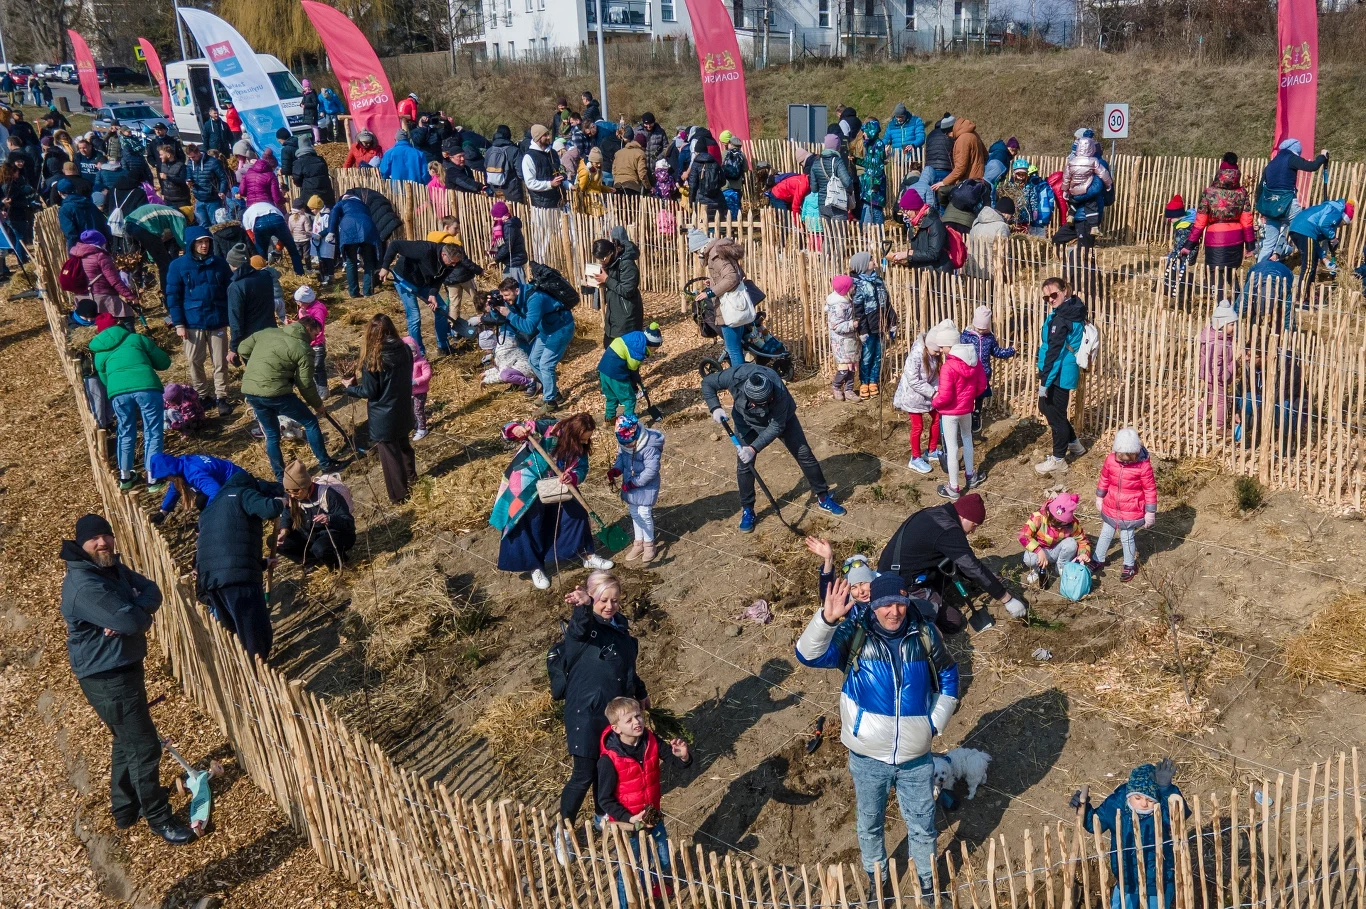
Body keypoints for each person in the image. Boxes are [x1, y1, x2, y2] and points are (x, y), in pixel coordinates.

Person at [794, 573, 958, 900]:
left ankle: (927, 884)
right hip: (868, 759)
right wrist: (826, 620)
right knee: (869, 825)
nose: (894, 612)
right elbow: (807, 655)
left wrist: (933, 724)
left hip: (915, 759)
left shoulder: (924, 634)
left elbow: (948, 674)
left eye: (900, 603)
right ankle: (877, 879)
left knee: (923, 825)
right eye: (886, 605)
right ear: (874, 605)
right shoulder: (855, 634)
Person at [60, 513, 195, 844]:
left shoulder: (109, 567)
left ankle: (125, 808)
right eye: (94, 539)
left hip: (120, 665)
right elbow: (133, 622)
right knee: (144, 746)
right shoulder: (85, 585)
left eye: (106, 535)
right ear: (81, 544)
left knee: (126, 738)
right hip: (107, 676)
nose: (102, 542)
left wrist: (129, 608)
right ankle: (159, 818)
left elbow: (152, 591)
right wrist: (130, 615)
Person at [702, 364, 846, 531]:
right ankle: (748, 509)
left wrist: (753, 449)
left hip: (781, 420)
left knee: (804, 454)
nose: (761, 407)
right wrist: (715, 407)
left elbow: (776, 427)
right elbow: (708, 382)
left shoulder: (778, 390)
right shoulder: (735, 376)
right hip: (745, 423)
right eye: (757, 404)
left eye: (766, 402)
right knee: (745, 465)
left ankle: (823, 497)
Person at [494, 415, 614, 589]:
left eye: (586, 438)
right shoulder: (545, 428)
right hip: (527, 483)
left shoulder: (580, 446)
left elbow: (582, 468)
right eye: (582, 438)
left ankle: (586, 555)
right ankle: (535, 567)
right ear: (572, 433)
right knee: (531, 523)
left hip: (557, 484)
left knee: (577, 513)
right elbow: (509, 429)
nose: (585, 442)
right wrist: (516, 429)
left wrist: (572, 476)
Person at [597, 696, 691, 904]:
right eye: (629, 720)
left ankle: (653, 886)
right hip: (627, 821)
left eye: (638, 716)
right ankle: (625, 904)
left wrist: (683, 756)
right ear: (616, 728)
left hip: (651, 813)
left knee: (663, 857)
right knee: (630, 867)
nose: (637, 722)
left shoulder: (651, 740)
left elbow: (676, 762)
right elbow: (604, 799)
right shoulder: (609, 759)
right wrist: (630, 819)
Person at [877, 495, 1028, 619]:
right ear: (964, 516)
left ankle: (933, 593)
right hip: (899, 582)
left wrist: (988, 580)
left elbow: (961, 560)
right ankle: (915, 610)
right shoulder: (948, 530)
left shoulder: (937, 513)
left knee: (951, 566)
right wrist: (1006, 598)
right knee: (953, 621)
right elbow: (971, 566)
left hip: (894, 569)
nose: (973, 531)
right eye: (974, 525)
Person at [196, 468, 285, 661]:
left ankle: (245, 666)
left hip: (212, 581)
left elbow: (226, 546)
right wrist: (281, 502)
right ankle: (257, 671)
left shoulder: (211, 508)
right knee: (255, 631)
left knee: (236, 631)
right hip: (239, 581)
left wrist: (262, 564)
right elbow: (269, 509)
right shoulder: (243, 493)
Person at [1073, 760, 1186, 909]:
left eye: (1149, 800)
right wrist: (1083, 808)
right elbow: (1094, 824)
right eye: (1138, 798)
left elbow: (1178, 816)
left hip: (1157, 880)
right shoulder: (1115, 805)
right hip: (1126, 877)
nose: (1144, 804)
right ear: (1129, 794)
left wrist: (1167, 790)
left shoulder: (1161, 809)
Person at [239, 317, 338, 480]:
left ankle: (281, 478)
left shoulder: (268, 333)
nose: (315, 339)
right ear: (308, 329)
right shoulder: (304, 349)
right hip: (276, 393)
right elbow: (305, 384)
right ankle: (326, 464)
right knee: (310, 422)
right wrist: (317, 404)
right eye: (315, 334)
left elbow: (243, 348)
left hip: (251, 391)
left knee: (272, 435)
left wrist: (258, 363)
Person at [90, 315, 170, 491]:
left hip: (119, 394)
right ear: (118, 324)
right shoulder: (136, 339)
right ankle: (153, 478)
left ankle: (125, 476)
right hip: (147, 387)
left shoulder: (99, 352)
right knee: (153, 431)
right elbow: (164, 362)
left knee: (125, 431)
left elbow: (105, 380)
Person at [342, 314, 417, 503]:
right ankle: (412, 478)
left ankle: (399, 495)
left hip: (384, 416)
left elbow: (370, 391)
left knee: (390, 457)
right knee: (404, 446)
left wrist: (350, 388)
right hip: (403, 408)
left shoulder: (373, 359)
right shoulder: (405, 349)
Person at [166, 226, 234, 417]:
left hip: (217, 318)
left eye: (207, 242)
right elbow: (173, 296)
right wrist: (179, 324)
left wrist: (232, 316)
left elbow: (230, 290)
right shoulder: (178, 266)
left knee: (220, 361)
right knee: (195, 361)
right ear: (191, 244)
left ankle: (222, 397)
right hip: (191, 321)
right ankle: (202, 396)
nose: (204, 245)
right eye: (200, 242)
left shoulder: (219, 263)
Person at [497, 276, 575, 417]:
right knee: (533, 361)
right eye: (502, 296)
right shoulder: (517, 298)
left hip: (561, 328)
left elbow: (528, 327)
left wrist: (509, 315)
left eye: (506, 295)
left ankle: (550, 402)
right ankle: (555, 393)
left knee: (546, 364)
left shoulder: (535, 299)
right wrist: (495, 307)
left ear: (517, 290)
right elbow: (512, 313)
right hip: (547, 328)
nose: (505, 299)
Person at [377, 237, 467, 357]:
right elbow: (395, 245)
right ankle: (418, 353)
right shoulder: (425, 249)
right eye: (452, 262)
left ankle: (443, 347)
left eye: (455, 263)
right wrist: (385, 267)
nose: (454, 265)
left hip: (424, 282)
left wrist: (432, 294)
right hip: (405, 279)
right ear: (444, 254)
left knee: (442, 309)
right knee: (414, 317)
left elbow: (439, 278)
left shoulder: (452, 263)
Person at [1034, 276, 1087, 475]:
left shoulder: (1062, 319)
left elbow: (1054, 354)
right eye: (1046, 298)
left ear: (1064, 291)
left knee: (1054, 414)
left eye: (1054, 294)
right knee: (1051, 409)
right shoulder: (1069, 310)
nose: (1050, 299)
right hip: (1061, 370)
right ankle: (1074, 444)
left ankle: (1058, 460)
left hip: (1059, 372)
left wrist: (1045, 382)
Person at [1091, 427, 1158, 582]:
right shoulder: (1110, 460)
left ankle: (1129, 565)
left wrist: (1150, 511)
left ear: (1136, 453)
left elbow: (1150, 489)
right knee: (1105, 533)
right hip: (1111, 505)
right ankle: (1097, 558)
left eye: (1129, 458)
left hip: (1131, 510)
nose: (1125, 461)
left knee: (1126, 537)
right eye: (1121, 457)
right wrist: (1100, 496)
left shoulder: (1143, 467)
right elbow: (1104, 479)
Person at [930, 322, 987, 501]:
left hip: (949, 413)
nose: (940, 350)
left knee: (952, 446)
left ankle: (954, 487)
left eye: (942, 347)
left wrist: (935, 402)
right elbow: (982, 385)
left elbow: (945, 396)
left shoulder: (948, 367)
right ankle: (971, 476)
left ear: (950, 344)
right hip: (966, 409)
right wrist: (969, 398)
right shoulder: (973, 360)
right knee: (967, 438)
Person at [1180, 156, 1254, 295]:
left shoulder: (1209, 193)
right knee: (1231, 270)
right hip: (1236, 238)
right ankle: (1238, 300)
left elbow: (1200, 222)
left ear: (1219, 173)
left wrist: (1189, 245)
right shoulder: (1242, 192)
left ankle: (1220, 302)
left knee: (1215, 272)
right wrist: (1250, 246)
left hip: (1216, 238)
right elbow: (1247, 220)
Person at [687, 229, 753, 369]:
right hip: (738, 304)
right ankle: (743, 375)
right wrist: (713, 282)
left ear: (700, 249)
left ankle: (740, 379)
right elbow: (737, 274)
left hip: (729, 307)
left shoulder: (715, 256)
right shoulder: (721, 250)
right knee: (737, 346)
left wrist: (710, 293)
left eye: (696, 252)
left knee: (733, 349)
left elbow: (731, 278)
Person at [605, 415, 664, 564]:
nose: (628, 446)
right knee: (634, 512)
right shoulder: (625, 444)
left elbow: (651, 470)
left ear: (636, 435)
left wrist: (634, 483)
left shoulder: (649, 446)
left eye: (630, 443)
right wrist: (616, 470)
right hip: (630, 483)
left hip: (646, 486)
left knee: (644, 513)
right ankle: (638, 542)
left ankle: (649, 544)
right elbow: (621, 458)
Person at [1257, 140, 1327, 262]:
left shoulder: (1271, 164)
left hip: (1271, 206)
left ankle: (1259, 270)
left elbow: (1260, 187)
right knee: (1304, 229)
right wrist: (1322, 156)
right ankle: (1317, 259)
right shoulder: (1291, 158)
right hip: (1288, 203)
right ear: (1296, 150)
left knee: (1268, 243)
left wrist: (1261, 209)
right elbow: (1312, 166)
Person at [276, 459, 355, 567]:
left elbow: (347, 521)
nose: (292, 495)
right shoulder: (292, 497)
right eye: (288, 491)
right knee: (274, 542)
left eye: (296, 491)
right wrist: (283, 532)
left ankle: (337, 562)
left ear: (306, 486)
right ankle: (311, 561)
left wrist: (329, 519)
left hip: (334, 534)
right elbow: (286, 516)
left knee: (320, 548)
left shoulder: (327, 494)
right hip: (309, 536)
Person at [893, 326, 944, 475]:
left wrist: (936, 390)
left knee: (937, 418)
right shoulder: (916, 355)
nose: (939, 353)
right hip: (913, 396)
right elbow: (913, 380)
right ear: (928, 346)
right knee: (918, 426)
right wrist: (932, 392)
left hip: (928, 394)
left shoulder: (933, 355)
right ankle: (915, 458)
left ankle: (931, 450)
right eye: (936, 351)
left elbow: (935, 376)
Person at [960, 306, 1015, 436]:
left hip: (983, 374)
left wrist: (1010, 351)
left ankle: (977, 414)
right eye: (979, 328)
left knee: (980, 395)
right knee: (968, 395)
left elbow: (995, 351)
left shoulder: (989, 338)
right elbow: (960, 352)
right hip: (969, 373)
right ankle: (967, 414)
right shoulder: (966, 336)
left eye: (983, 329)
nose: (981, 331)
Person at [1018, 492, 1091, 588]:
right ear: (1049, 512)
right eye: (1053, 521)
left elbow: (1083, 541)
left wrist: (1083, 553)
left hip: (1057, 550)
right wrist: (1038, 550)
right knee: (1029, 559)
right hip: (1040, 550)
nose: (1057, 526)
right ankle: (1038, 569)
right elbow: (1023, 536)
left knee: (1071, 543)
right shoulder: (1038, 517)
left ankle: (1061, 566)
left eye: (1061, 523)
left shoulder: (1072, 524)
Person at [147, 452, 243, 523]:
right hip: (222, 482)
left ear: (171, 472)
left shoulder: (194, 474)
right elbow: (175, 488)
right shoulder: (181, 464)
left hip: (236, 482)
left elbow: (216, 493)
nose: (167, 480)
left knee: (202, 502)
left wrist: (205, 520)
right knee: (201, 500)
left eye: (166, 477)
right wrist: (163, 511)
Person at [598, 323, 663, 423]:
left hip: (603, 369)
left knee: (611, 397)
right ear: (650, 345)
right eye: (655, 348)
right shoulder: (638, 351)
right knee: (629, 399)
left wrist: (635, 376)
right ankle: (628, 422)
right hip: (616, 373)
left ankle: (609, 420)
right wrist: (636, 377)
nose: (655, 351)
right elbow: (632, 368)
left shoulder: (636, 336)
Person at [1288, 198, 1353, 295]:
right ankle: (1301, 296)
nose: (1340, 226)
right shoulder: (1337, 212)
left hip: (1297, 229)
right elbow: (1324, 225)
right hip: (1305, 230)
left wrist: (1325, 260)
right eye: (1343, 224)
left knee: (1313, 262)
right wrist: (1332, 238)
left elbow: (1314, 245)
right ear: (1344, 218)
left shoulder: (1329, 209)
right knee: (1308, 266)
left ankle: (1308, 294)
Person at [225, 243, 278, 363]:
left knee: (256, 370)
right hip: (271, 332)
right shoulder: (266, 276)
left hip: (251, 339)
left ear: (233, 264)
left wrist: (233, 347)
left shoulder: (236, 287)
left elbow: (236, 320)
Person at [589, 229, 643, 343]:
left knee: (622, 346)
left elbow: (627, 290)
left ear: (610, 252)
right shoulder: (613, 261)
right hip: (614, 311)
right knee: (608, 344)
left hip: (626, 314)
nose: (602, 262)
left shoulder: (627, 264)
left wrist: (607, 279)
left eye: (603, 259)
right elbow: (614, 282)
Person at [70, 231, 139, 321]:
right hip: (102, 296)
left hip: (82, 298)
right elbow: (114, 281)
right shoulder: (101, 256)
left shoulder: (76, 255)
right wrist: (130, 296)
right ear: (100, 243)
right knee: (127, 316)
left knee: (101, 322)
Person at [328, 190, 381, 298]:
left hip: (349, 229)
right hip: (367, 229)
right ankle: (368, 291)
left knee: (351, 261)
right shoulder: (364, 205)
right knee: (369, 261)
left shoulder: (342, 203)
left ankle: (354, 292)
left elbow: (334, 213)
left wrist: (331, 231)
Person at [887, 189, 951, 273]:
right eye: (903, 211)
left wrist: (907, 254)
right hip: (923, 270)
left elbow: (934, 254)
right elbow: (918, 253)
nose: (905, 215)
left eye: (906, 210)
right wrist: (904, 260)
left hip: (937, 271)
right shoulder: (914, 225)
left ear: (915, 208)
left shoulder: (935, 224)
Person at [1198, 301, 1237, 427]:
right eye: (1232, 324)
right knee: (1222, 400)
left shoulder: (1219, 337)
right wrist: (1226, 374)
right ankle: (1219, 425)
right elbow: (1215, 364)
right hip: (1217, 376)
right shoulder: (1218, 343)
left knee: (1210, 397)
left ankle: (1197, 419)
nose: (1234, 327)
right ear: (1222, 324)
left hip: (1211, 375)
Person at [826, 275, 861, 402]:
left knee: (851, 366)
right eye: (851, 286)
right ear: (846, 290)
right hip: (840, 342)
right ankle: (836, 387)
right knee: (844, 368)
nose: (854, 287)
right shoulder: (838, 306)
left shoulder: (848, 301)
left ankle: (849, 390)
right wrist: (852, 324)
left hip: (849, 340)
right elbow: (836, 326)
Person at [292, 285, 330, 400]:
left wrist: (306, 316)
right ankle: (317, 388)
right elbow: (303, 324)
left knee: (318, 366)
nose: (298, 304)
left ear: (306, 301)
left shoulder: (317, 310)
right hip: (307, 342)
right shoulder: (303, 309)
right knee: (310, 367)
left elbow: (318, 327)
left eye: (299, 302)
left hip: (317, 343)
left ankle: (323, 388)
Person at [185, 144, 229, 227]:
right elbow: (189, 173)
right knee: (203, 225)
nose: (191, 159)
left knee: (215, 224)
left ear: (198, 153)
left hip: (213, 199)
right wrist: (188, 180)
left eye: (193, 157)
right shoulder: (190, 162)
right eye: (189, 157)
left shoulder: (213, 162)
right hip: (199, 198)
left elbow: (223, 178)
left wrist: (222, 191)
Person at [57, 179, 109, 250]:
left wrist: (72, 252)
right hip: (99, 245)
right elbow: (103, 224)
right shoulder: (90, 203)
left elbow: (71, 234)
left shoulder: (65, 209)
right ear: (75, 189)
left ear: (59, 193)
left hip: (83, 249)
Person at [490, 200, 528, 283]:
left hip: (515, 262)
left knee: (518, 286)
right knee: (507, 286)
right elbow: (498, 243)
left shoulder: (509, 226)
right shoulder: (503, 225)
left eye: (496, 216)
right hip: (510, 262)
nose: (494, 219)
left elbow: (507, 245)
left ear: (503, 216)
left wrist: (497, 259)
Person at [291, 134, 334, 206]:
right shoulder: (320, 159)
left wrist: (302, 184)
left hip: (309, 196)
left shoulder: (298, 162)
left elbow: (297, 179)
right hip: (326, 195)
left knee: (311, 211)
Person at [687, 140, 725, 220]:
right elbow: (723, 181)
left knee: (703, 224)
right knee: (718, 223)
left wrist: (691, 201)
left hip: (701, 199)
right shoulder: (715, 162)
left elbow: (692, 185)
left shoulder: (696, 164)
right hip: (717, 199)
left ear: (696, 152)